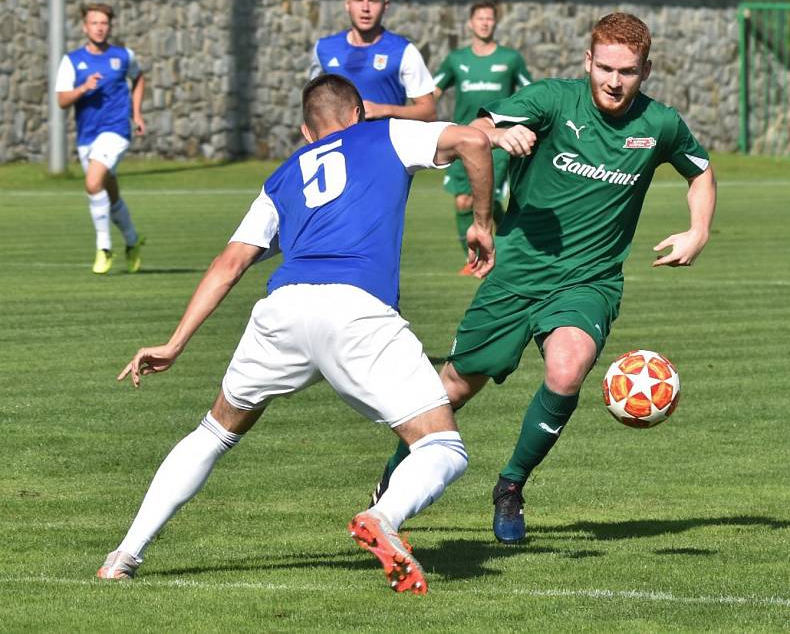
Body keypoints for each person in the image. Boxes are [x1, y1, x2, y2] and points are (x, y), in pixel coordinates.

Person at [96, 74, 496, 594]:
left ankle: (123, 555)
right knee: (442, 445)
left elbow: (229, 263)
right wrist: (482, 222)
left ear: (307, 131)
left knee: (215, 432)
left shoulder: (282, 178)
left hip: (282, 310)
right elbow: (474, 139)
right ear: (358, 115)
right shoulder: (387, 133)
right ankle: (385, 517)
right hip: (356, 310)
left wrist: (174, 343)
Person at [368, 12, 717, 544]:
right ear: (588, 61)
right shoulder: (554, 100)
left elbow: (701, 171)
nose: (614, 81)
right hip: (518, 271)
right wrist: (500, 133)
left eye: (627, 71)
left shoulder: (660, 125)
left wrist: (698, 231)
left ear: (646, 69)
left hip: (589, 281)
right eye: (604, 68)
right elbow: (474, 129)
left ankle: (510, 485)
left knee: (567, 367)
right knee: (454, 388)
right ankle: (392, 483)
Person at [433, 1, 532, 274]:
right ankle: (477, 255)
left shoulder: (510, 59)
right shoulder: (456, 59)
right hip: (462, 141)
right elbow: (433, 92)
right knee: (463, 201)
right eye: (480, 18)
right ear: (470, 23)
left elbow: (530, 93)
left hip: (497, 143)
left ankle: (492, 253)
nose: (485, 23)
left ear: (495, 23)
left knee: (483, 198)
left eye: (490, 18)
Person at [56, 3, 146, 275]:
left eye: (104, 23)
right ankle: (132, 241)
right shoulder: (72, 61)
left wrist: (137, 113)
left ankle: (104, 247)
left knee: (93, 182)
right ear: (85, 27)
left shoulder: (123, 56)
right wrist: (83, 88)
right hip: (87, 136)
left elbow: (139, 78)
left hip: (116, 129)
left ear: (110, 26)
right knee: (108, 192)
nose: (99, 27)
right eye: (94, 23)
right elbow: (61, 100)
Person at [309, 0, 436, 122]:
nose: (365, 8)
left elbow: (429, 112)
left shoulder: (403, 51)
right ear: (347, 4)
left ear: (386, 5)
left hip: (384, 144)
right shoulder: (323, 49)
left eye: (373, 1)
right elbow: (313, 106)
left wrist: (384, 110)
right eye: (359, 0)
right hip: (340, 146)